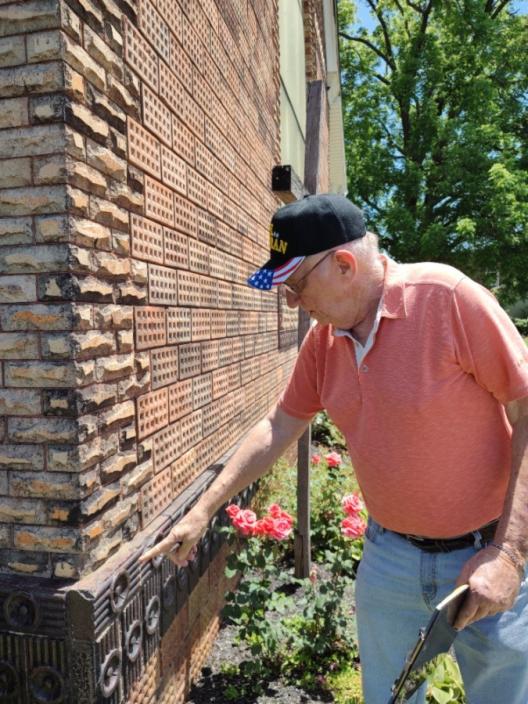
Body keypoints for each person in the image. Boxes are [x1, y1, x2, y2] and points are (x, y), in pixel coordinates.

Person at [140, 194, 528, 704]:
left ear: (344, 264)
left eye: (296, 285)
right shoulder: (326, 342)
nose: (291, 303)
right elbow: (279, 425)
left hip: (486, 552)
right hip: (390, 558)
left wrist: (508, 553)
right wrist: (203, 510)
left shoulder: (449, 299)